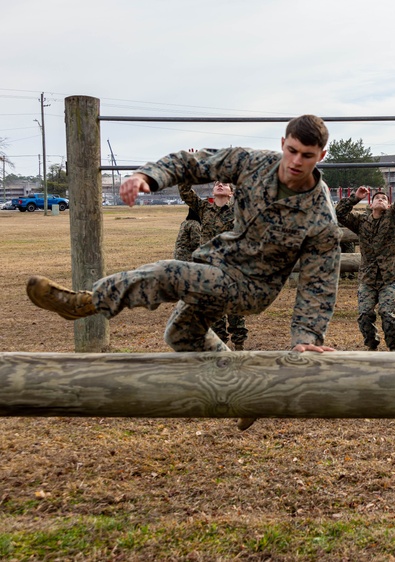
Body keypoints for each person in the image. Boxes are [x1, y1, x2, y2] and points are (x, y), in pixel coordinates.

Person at [25, 115, 340, 431]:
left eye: (307, 155)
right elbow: (195, 162)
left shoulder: (320, 215)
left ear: (321, 156)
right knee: (181, 332)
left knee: (167, 274)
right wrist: (148, 175)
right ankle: (243, 395)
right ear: (282, 144)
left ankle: (87, 303)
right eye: (292, 150)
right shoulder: (255, 162)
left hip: (252, 287)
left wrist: (306, 337)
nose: (296, 161)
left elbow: (319, 281)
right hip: (217, 263)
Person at [336, 162, 395, 351]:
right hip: (368, 277)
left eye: (384, 199)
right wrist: (354, 198)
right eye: (377, 198)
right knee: (364, 314)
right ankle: (372, 345)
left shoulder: (394, 217)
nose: (380, 200)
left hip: (389, 277)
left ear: (388, 205)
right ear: (370, 204)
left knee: (387, 313)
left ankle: (393, 347)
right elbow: (339, 213)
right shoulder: (362, 221)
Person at [179, 180, 247, 350]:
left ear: (231, 193)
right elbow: (185, 192)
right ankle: (220, 349)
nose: (219, 184)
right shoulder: (204, 209)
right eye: (216, 183)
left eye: (224, 184)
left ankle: (239, 348)